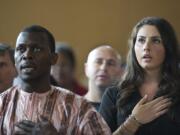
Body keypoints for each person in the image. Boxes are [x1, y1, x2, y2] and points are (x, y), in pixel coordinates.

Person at [0, 25, 111, 135]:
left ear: (53, 59)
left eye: (36, 49)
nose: (27, 55)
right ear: (14, 59)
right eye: (21, 49)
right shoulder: (2, 104)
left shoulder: (78, 107)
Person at [99, 17, 180, 135]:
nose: (146, 47)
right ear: (133, 47)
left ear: (168, 48)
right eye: (141, 40)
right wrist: (134, 121)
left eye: (156, 40)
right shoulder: (114, 94)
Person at [84, 45, 123, 110]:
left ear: (120, 72)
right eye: (98, 62)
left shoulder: (126, 108)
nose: (103, 68)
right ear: (86, 68)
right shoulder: (75, 106)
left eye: (110, 63)